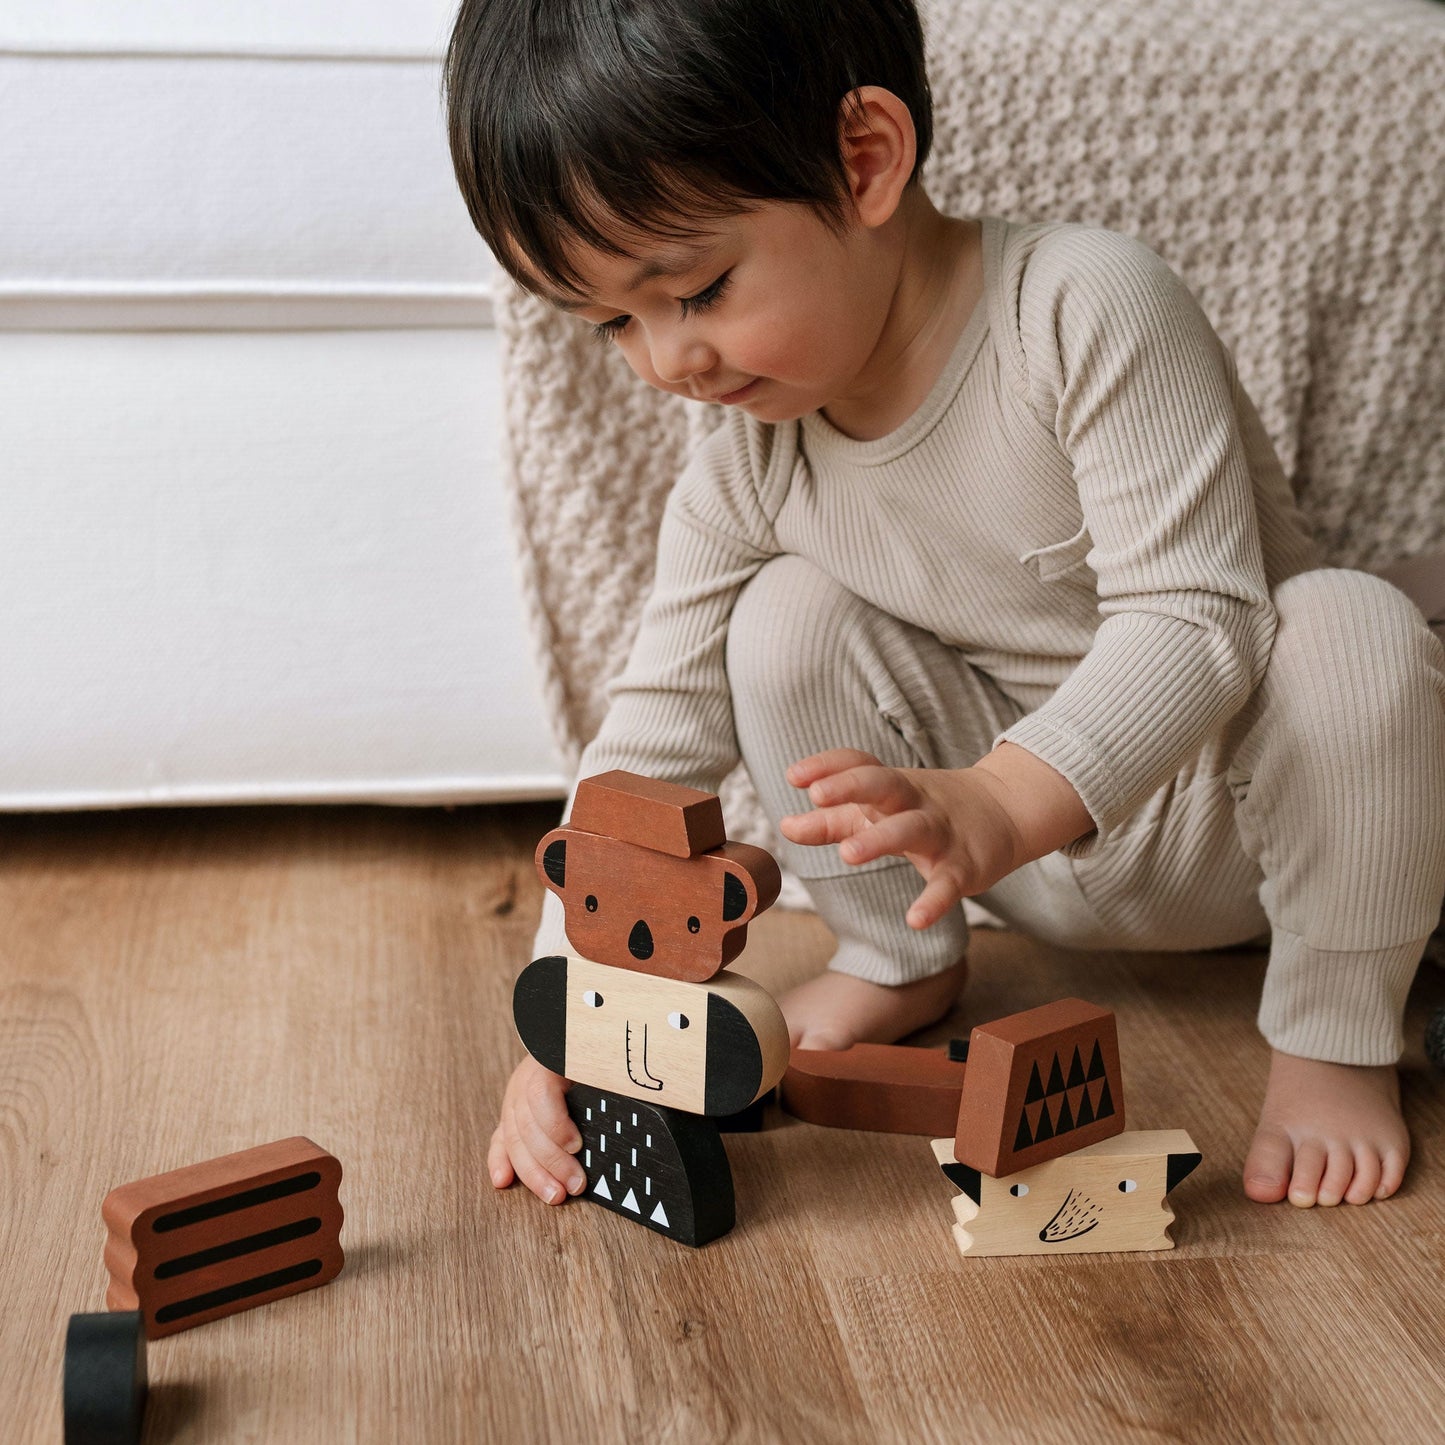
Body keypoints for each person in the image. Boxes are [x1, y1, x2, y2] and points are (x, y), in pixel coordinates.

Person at [443, 0, 1445, 1212]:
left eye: (696, 289)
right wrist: (572, 1014)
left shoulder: (1083, 305)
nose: (668, 364)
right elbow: (650, 740)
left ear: (864, 160)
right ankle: (895, 956)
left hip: (1243, 827)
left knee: (1351, 627)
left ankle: (1334, 1033)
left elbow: (1197, 619)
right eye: (613, 322)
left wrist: (996, 798)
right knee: (783, 616)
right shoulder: (747, 461)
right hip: (989, 862)